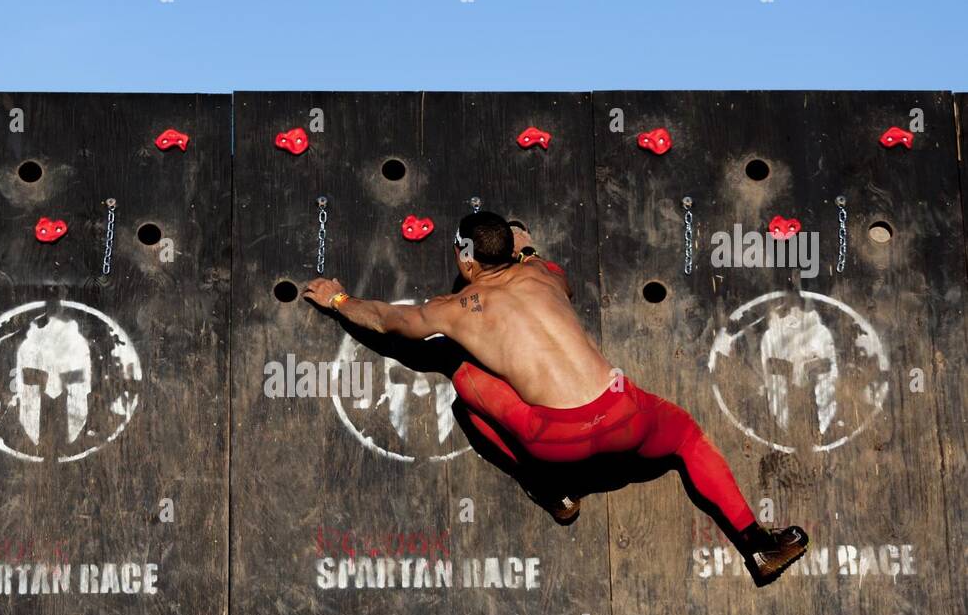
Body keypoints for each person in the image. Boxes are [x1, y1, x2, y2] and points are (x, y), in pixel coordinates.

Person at [302, 210, 809, 585]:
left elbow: (388, 320)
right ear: (515, 249)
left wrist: (339, 299)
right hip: (624, 414)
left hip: (555, 441)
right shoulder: (545, 275)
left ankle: (553, 493)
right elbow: (552, 274)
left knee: (463, 380)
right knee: (688, 439)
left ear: (464, 258)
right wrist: (528, 250)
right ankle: (756, 546)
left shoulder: (452, 308)